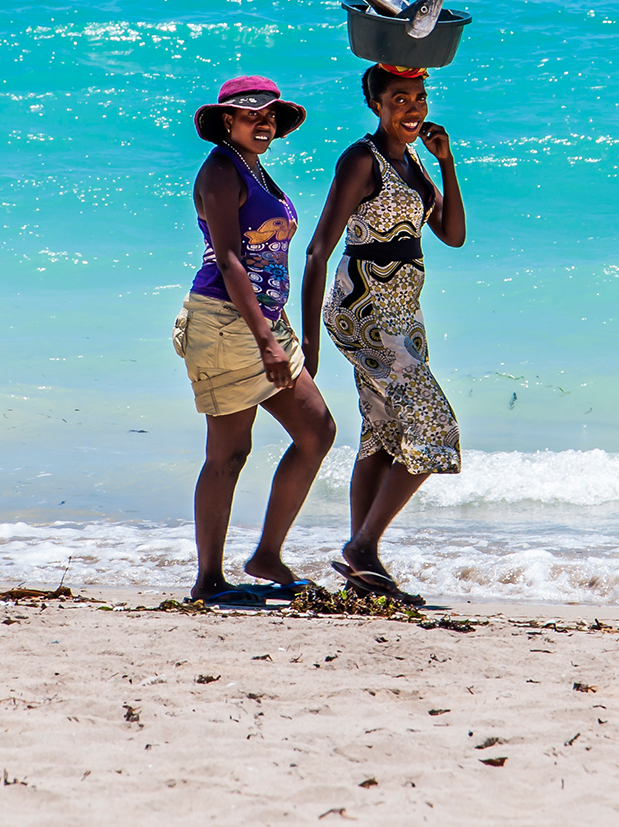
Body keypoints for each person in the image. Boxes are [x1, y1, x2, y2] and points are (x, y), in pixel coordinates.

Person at [300, 64, 466, 604]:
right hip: (365, 309)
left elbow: (453, 235)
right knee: (434, 425)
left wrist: (445, 162)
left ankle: (361, 566)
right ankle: (364, 546)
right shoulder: (361, 159)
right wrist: (310, 343)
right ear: (376, 103)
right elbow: (319, 248)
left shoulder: (414, 160)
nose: (412, 108)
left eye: (419, 97)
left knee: (383, 433)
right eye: (400, 98)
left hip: (403, 315)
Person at [172, 76, 336, 607]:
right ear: (227, 122)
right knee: (229, 452)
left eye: (270, 115)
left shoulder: (254, 168)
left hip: (264, 322)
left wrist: (285, 328)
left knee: (316, 429)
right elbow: (229, 257)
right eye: (251, 114)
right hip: (225, 322)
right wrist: (267, 339)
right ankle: (208, 580)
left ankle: (266, 554)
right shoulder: (220, 171)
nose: (263, 122)